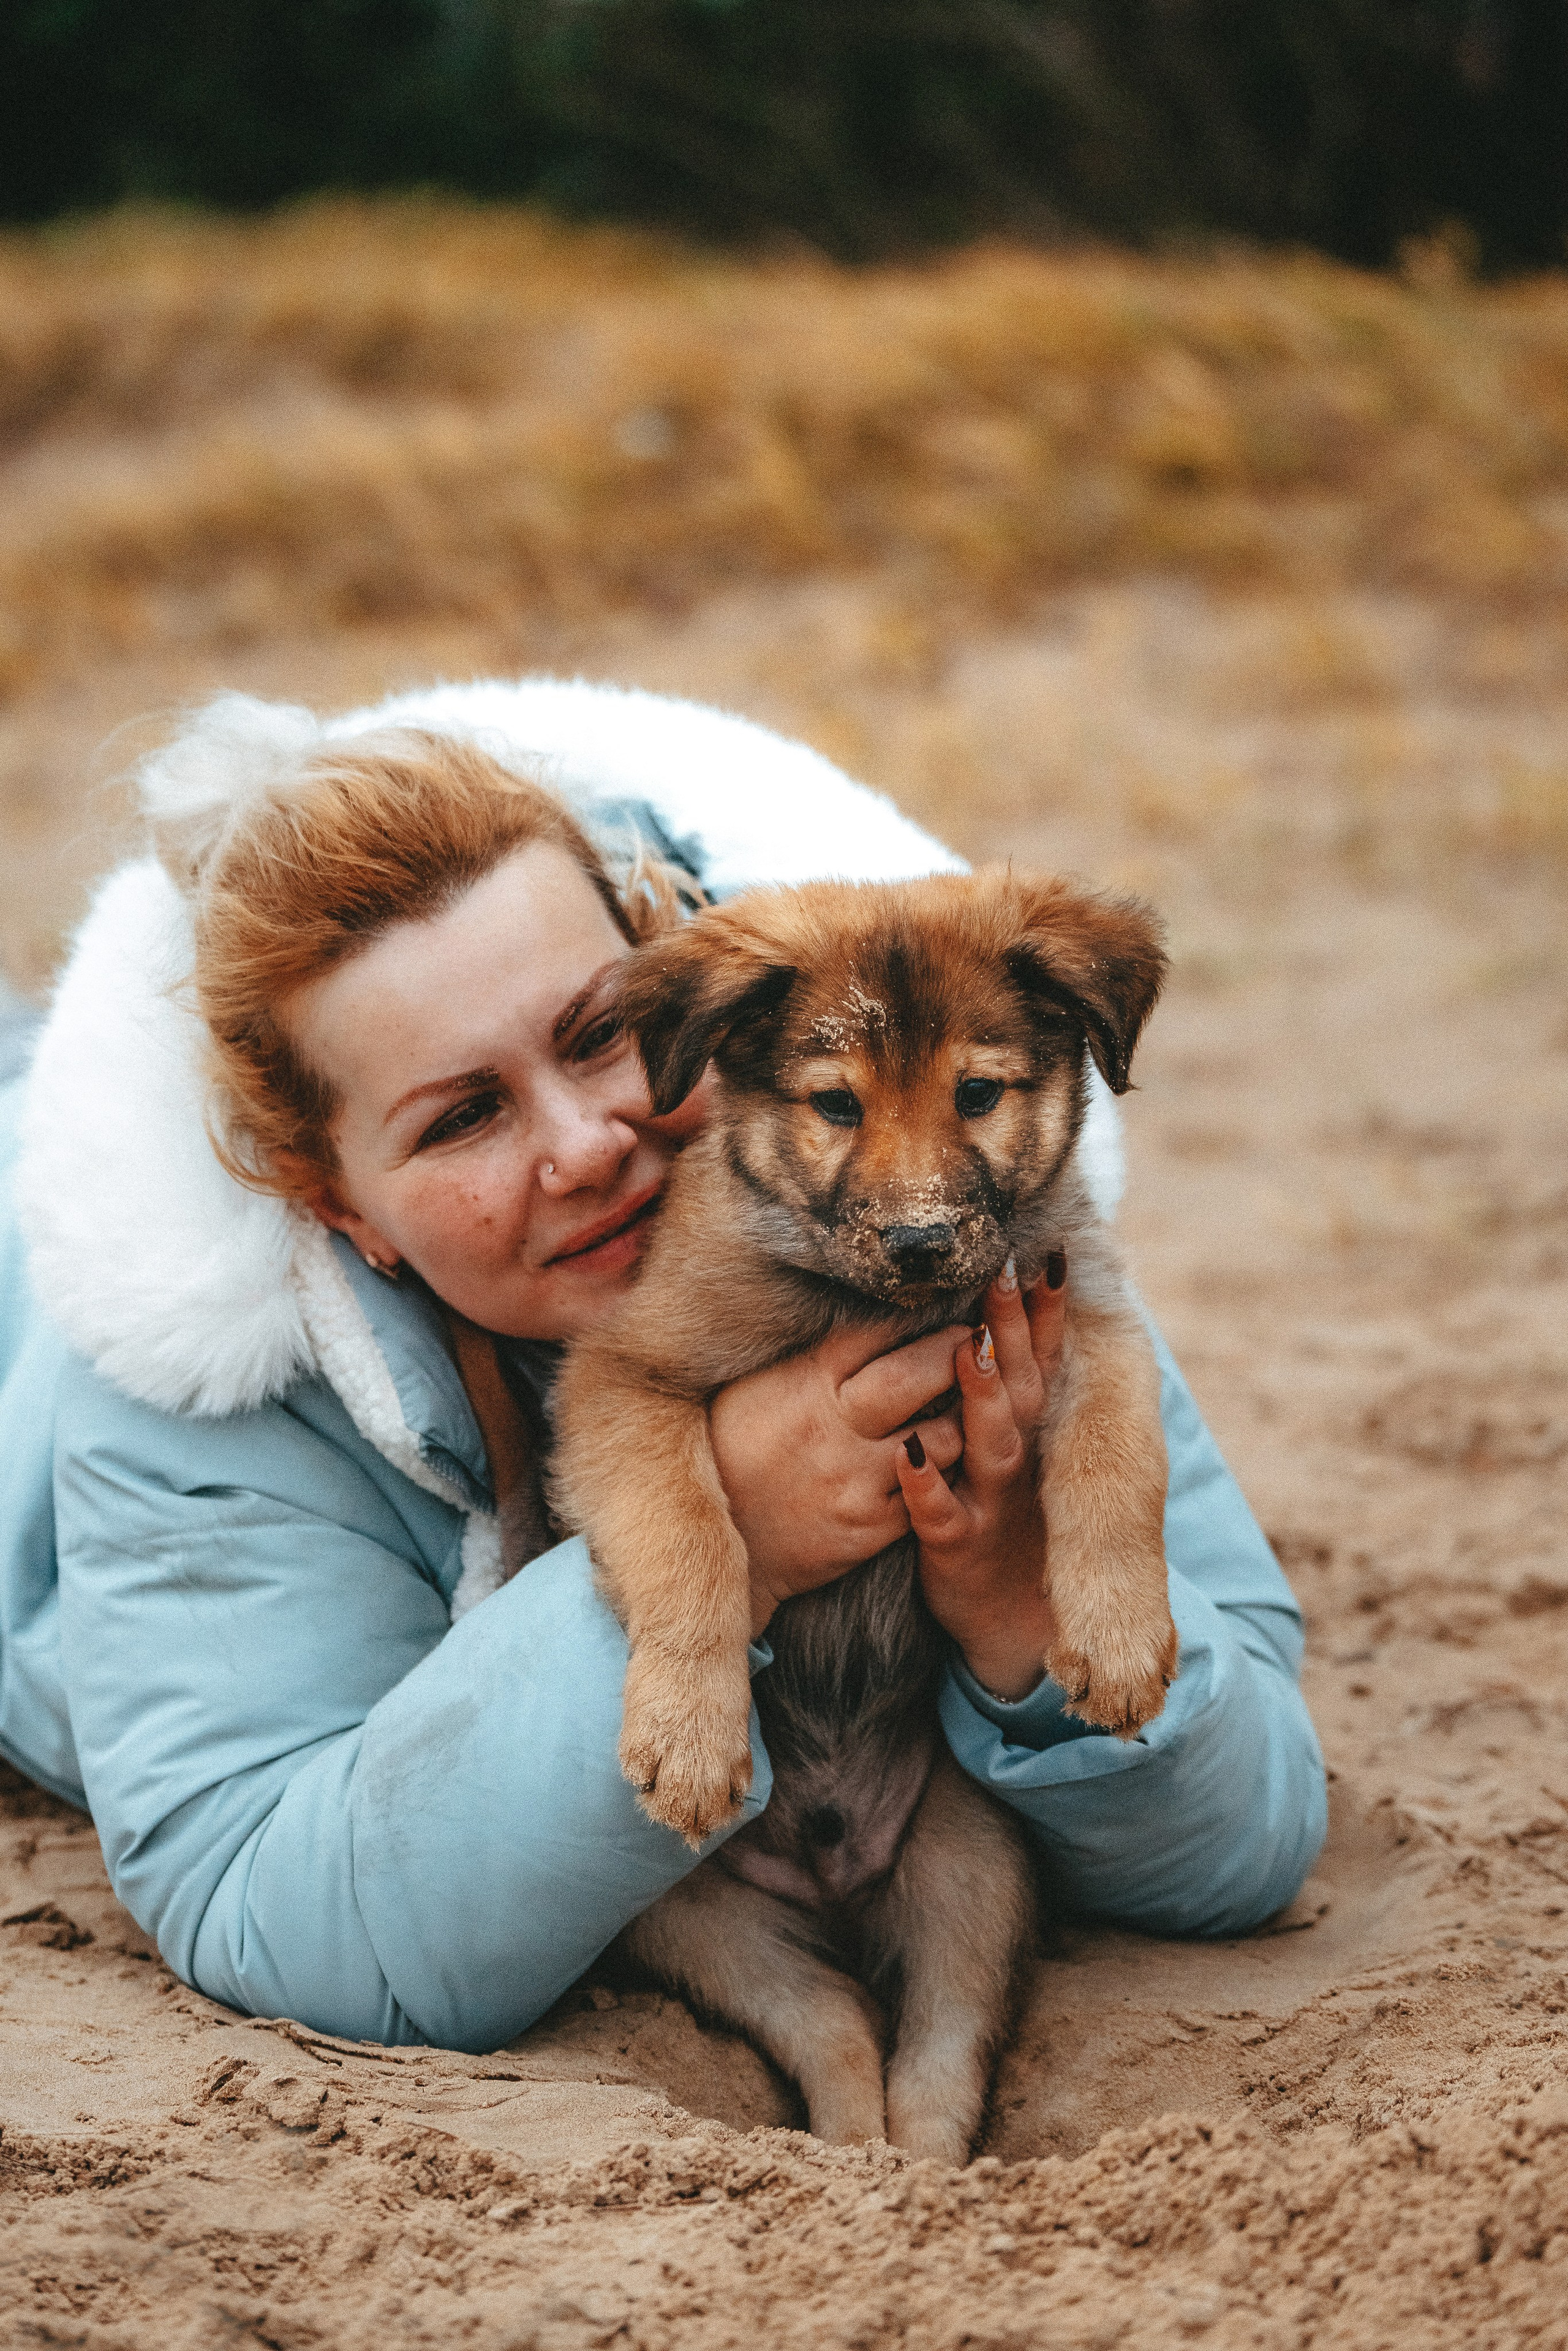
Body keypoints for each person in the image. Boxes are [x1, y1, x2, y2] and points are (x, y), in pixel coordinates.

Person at [0, 679, 1325, 2055]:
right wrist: (732, 1540)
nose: (589, 1143)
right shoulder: (180, 1403)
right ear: (329, 1202)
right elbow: (271, 1907)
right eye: (462, 1116)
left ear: (661, 948)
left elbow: (1252, 1833)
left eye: (595, 1031)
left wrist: (1016, 1606)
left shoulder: (922, 1189)